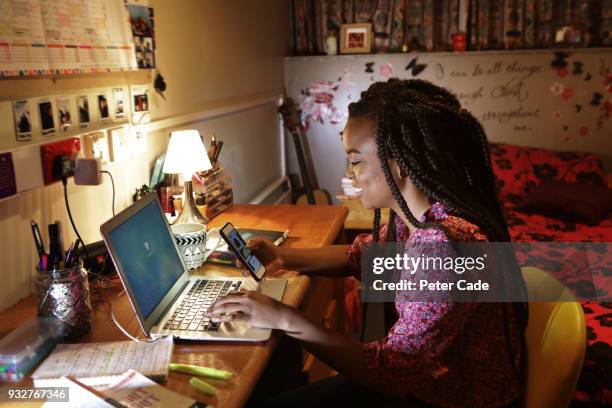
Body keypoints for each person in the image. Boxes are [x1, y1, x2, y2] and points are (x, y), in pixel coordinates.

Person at [208, 79, 528, 408]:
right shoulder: (422, 218)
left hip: (450, 398)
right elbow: (361, 255)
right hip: (433, 385)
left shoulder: (442, 243)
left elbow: (390, 371)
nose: (350, 173)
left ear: (400, 164)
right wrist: (280, 256)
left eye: (357, 161)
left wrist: (284, 317)